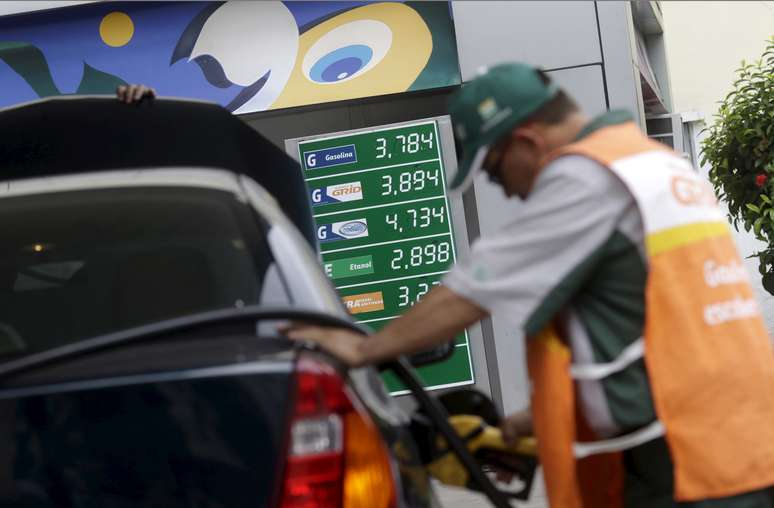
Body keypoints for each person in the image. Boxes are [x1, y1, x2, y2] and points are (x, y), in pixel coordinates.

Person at [284, 62, 774, 507]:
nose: (506, 190)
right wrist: (531, 420)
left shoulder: (586, 180)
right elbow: (651, 331)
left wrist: (361, 350)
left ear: (527, 140)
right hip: (740, 439)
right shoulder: (651, 164)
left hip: (688, 465)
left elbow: (471, 289)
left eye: (494, 172)